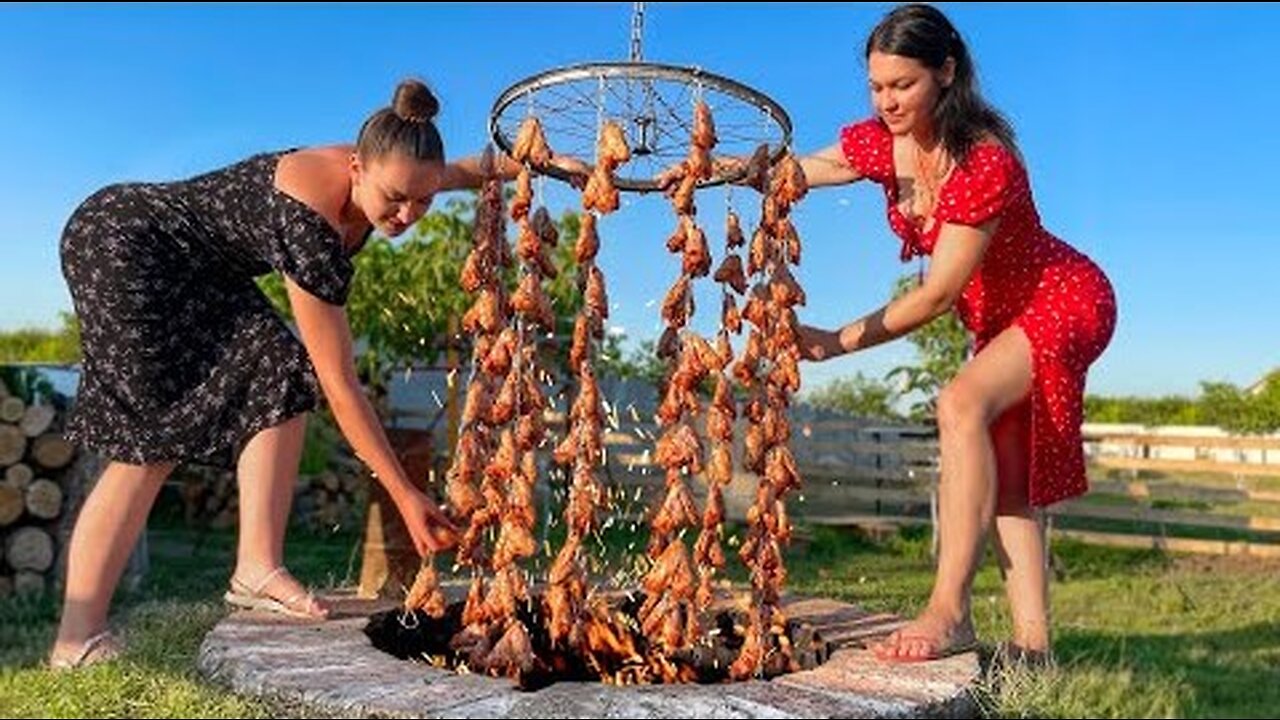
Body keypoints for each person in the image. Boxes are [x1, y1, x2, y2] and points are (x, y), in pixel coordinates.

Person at [48, 78, 572, 669]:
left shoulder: (394, 164)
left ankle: (256, 568)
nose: (406, 216)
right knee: (149, 445)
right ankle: (76, 640)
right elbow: (340, 383)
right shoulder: (309, 222)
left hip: (198, 270)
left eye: (422, 202)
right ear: (356, 166)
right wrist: (403, 492)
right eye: (395, 199)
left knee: (279, 372)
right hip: (124, 242)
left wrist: (541, 162)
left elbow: (465, 169)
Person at [732, 4, 1114, 663]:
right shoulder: (884, 142)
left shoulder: (982, 160)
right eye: (876, 86)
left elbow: (937, 295)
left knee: (959, 403)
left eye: (902, 85)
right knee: (1011, 481)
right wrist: (720, 169)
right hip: (1000, 318)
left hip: (1064, 297)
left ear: (945, 71)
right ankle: (1035, 651)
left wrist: (831, 340)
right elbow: (798, 171)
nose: (886, 101)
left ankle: (949, 611)